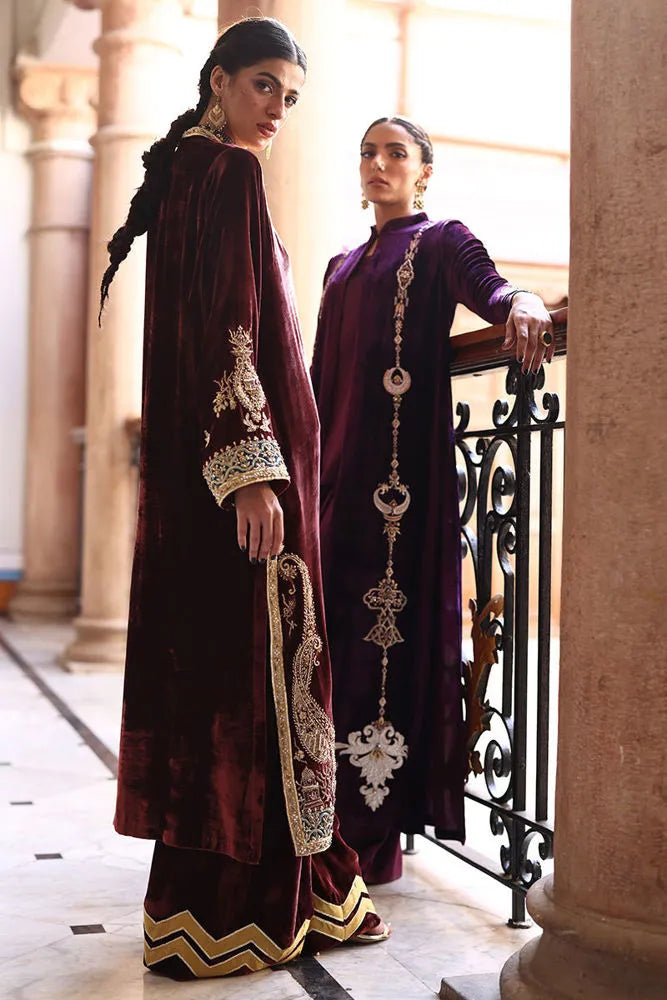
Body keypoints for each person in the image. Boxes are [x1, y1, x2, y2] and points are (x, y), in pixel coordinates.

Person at [99, 19, 389, 979]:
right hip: (245, 472)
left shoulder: (186, 175)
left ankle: (213, 902)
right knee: (260, 677)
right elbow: (228, 323)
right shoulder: (226, 172)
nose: (276, 110)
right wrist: (252, 472)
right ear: (218, 81)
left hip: (205, 474)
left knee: (221, 678)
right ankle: (255, 905)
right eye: (263, 85)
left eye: (289, 97)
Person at [311, 116, 553, 885]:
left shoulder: (442, 240)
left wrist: (523, 300)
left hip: (397, 498)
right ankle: (315, 823)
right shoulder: (340, 266)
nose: (377, 163)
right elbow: (316, 380)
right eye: (367, 153)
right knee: (327, 646)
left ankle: (368, 838)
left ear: (422, 172)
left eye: (395, 153)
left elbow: (490, 289)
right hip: (332, 488)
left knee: (382, 650)